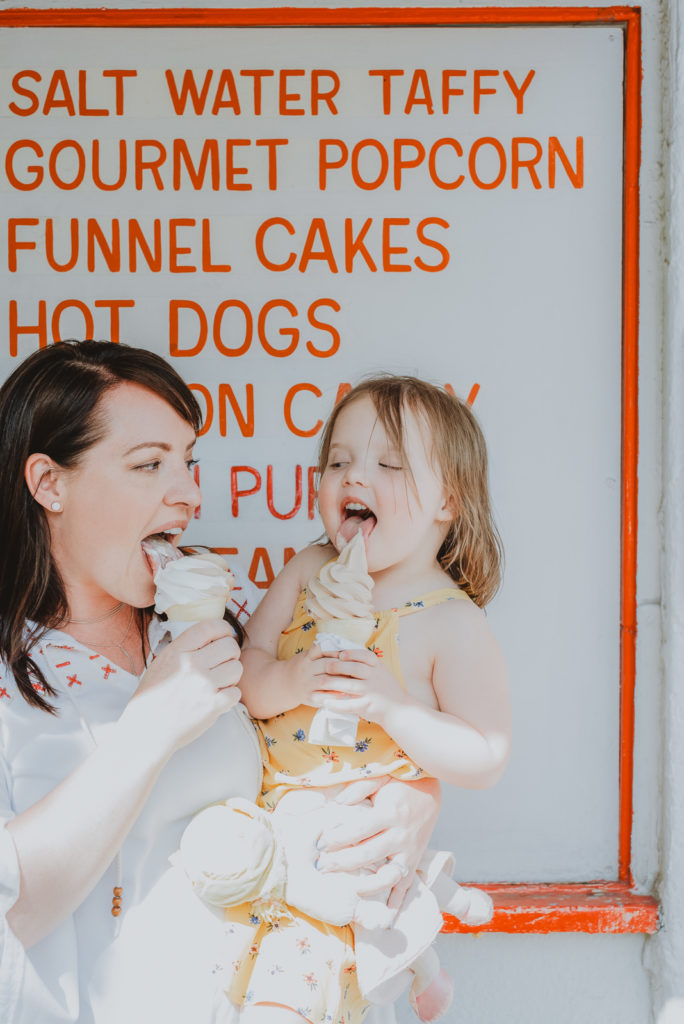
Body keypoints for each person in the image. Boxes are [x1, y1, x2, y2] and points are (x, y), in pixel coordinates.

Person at [0, 342, 440, 1024]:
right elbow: (15, 912)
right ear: (49, 483)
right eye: (149, 465)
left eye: (187, 462)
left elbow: (337, 745)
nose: (188, 493)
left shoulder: (228, 616)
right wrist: (150, 724)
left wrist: (413, 800)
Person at [185, 376, 511, 1024]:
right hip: (276, 823)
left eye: (388, 463)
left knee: (290, 992)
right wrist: (292, 679)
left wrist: (393, 707)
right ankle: (422, 966)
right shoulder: (309, 569)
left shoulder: (452, 622)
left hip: (348, 850)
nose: (354, 476)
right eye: (338, 461)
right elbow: (246, 670)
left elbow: (485, 754)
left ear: (448, 498)